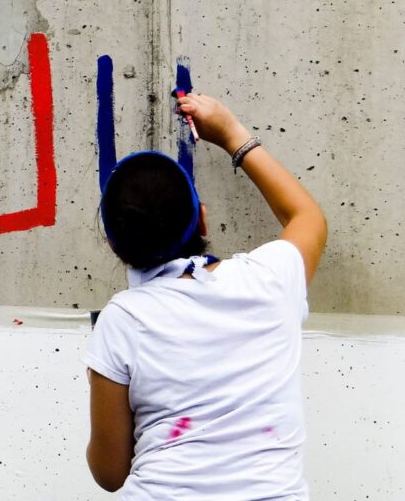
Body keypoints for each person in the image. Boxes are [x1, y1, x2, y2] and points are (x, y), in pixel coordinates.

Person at [83, 92, 327, 499]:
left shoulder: (122, 319)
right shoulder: (268, 280)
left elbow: (110, 473)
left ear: (112, 245)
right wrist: (232, 134)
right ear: (203, 219)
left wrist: (100, 378)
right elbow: (308, 218)